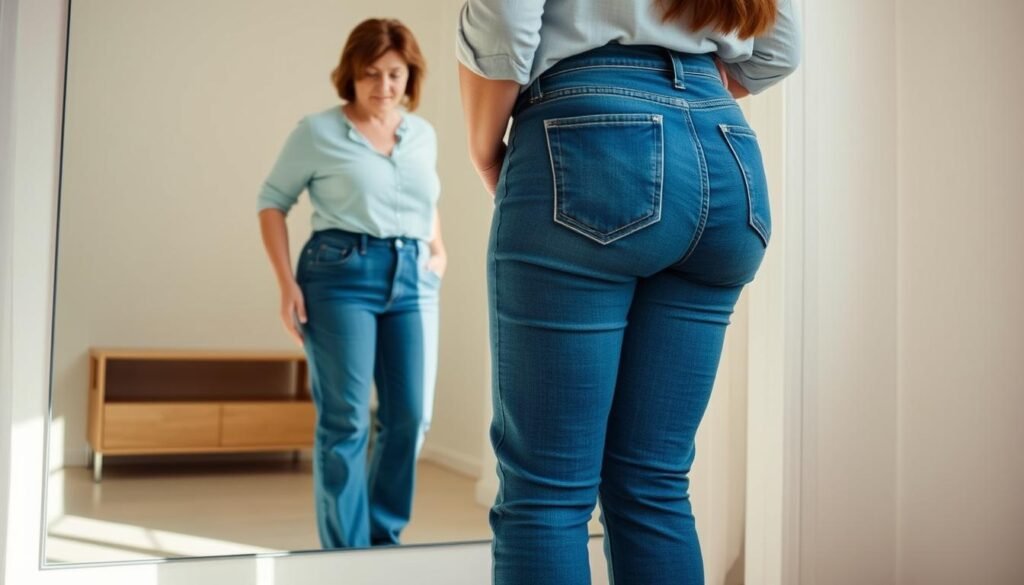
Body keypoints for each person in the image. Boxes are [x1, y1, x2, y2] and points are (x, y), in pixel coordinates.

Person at [456, 0, 800, 582]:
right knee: (654, 481)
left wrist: (483, 146)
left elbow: (504, 19)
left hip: (588, 134)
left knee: (547, 493)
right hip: (726, 157)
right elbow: (779, 48)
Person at [257, 18, 445, 549]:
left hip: (413, 279)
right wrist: (284, 284)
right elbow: (271, 202)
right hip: (339, 277)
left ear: (410, 76)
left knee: (411, 417)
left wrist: (439, 247)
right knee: (346, 422)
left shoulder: (422, 134)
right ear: (351, 76)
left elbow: (424, 198)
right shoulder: (317, 132)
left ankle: (382, 541)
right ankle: (346, 554)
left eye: (395, 74)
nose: (384, 88)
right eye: (371, 75)